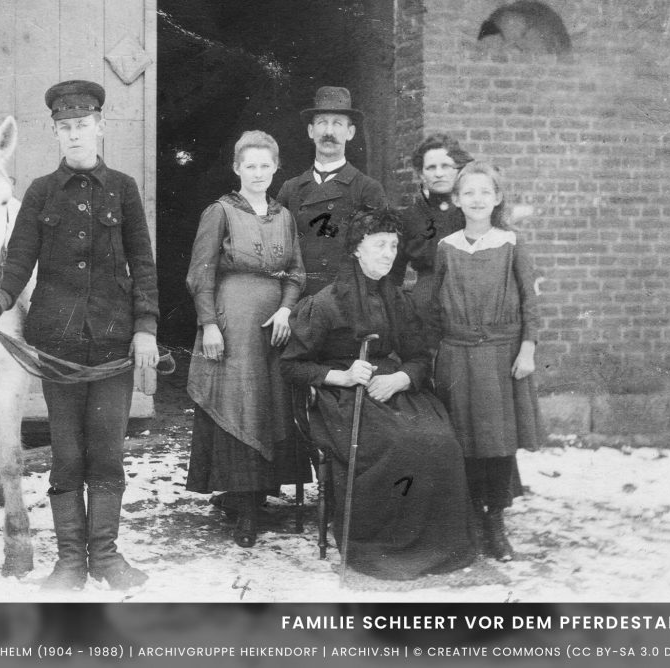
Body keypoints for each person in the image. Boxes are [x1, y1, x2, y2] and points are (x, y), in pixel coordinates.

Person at [0, 80, 159, 590]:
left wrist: (145, 328)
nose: (75, 134)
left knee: (107, 453)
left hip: (113, 346)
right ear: (55, 132)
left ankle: (107, 557)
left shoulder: (123, 188)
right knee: (68, 455)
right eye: (66, 127)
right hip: (57, 347)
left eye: (83, 125)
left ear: (100, 126)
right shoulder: (40, 192)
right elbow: (18, 262)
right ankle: (70, 562)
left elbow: (143, 264)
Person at [279, 207, 477, 580]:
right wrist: (342, 375)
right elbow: (291, 366)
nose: (388, 254)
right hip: (342, 397)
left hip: (390, 386)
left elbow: (419, 357)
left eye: (393, 246)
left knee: (442, 441)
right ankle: (383, 545)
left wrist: (401, 378)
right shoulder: (325, 303)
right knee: (399, 443)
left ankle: (435, 545)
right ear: (357, 248)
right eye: (379, 245)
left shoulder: (397, 300)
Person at [185, 131, 306, 548]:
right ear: (237, 168)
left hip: (273, 329)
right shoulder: (219, 212)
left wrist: (286, 309)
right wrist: (209, 325)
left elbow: (296, 272)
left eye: (265, 166)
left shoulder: (284, 216)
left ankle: (259, 495)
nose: (257, 173)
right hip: (232, 324)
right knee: (239, 403)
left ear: (276, 169)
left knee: (268, 405)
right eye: (249, 166)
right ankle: (243, 506)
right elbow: (200, 273)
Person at [430, 161, 544, 562]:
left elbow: (529, 301)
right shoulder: (446, 247)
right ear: (457, 200)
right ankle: (472, 519)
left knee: (497, 442)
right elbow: (435, 302)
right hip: (458, 355)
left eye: (485, 192)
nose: (477, 199)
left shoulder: (511, 243)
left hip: (500, 356)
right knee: (464, 440)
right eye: (469, 193)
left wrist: (527, 348)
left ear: (497, 198)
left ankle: (495, 522)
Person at [276, 86, 386, 298]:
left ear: (350, 132)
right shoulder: (290, 189)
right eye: (322, 123)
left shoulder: (368, 189)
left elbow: (379, 256)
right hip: (299, 301)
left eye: (337, 123)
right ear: (311, 131)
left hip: (346, 301)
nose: (329, 132)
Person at [386, 134, 473, 315]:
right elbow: (393, 274)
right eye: (431, 167)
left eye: (446, 166)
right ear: (421, 174)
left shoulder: (472, 212)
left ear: (458, 170)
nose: (439, 173)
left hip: (470, 303)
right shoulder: (409, 217)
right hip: (425, 307)